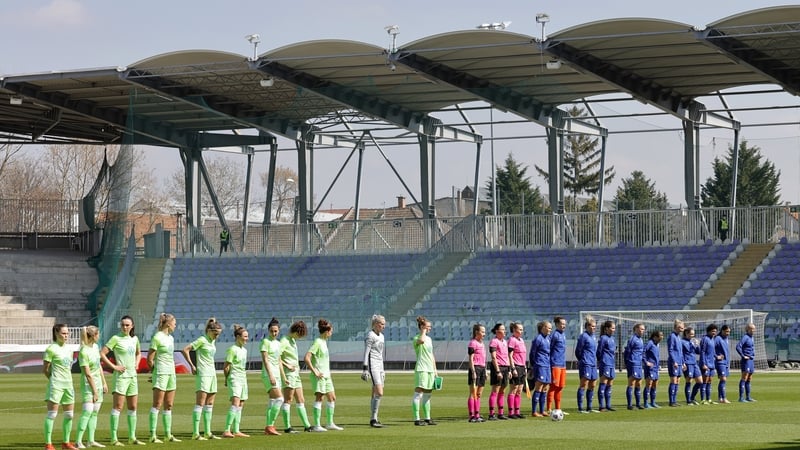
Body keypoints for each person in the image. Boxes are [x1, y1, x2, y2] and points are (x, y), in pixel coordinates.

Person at [100, 315, 144, 446]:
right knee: (118, 407)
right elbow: (102, 353)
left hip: (132, 377)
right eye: (123, 325)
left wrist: (137, 364)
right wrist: (114, 366)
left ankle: (132, 437)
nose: (125, 327)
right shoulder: (116, 338)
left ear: (132, 326)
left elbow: (138, 353)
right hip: (121, 377)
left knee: (133, 406)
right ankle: (114, 438)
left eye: (127, 325)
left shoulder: (134, 339)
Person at [181, 317, 224, 440]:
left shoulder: (211, 341)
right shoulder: (202, 340)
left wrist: (212, 321)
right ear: (210, 331)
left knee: (210, 403)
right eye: (215, 334)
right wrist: (192, 365)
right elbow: (185, 349)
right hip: (203, 374)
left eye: (218, 334)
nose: (217, 336)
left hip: (212, 374)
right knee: (200, 403)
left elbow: (211, 326)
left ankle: (207, 432)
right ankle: (195, 433)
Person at [146, 313, 181, 443]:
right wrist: (155, 372)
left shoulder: (170, 338)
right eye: (174, 323)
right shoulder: (157, 337)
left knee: (169, 404)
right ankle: (153, 435)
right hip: (161, 372)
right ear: (168, 323)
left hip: (171, 373)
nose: (175, 325)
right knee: (157, 404)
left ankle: (168, 434)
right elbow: (150, 359)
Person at [43, 323, 78, 450]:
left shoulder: (70, 349)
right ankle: (48, 444)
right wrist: (53, 380)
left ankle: (66, 443)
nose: (66, 335)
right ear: (56, 333)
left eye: (67, 333)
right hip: (56, 385)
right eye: (63, 333)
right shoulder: (51, 349)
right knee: (52, 414)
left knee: (69, 415)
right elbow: (46, 369)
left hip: (69, 385)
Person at [305, 319, 343, 431]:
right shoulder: (317, 342)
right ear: (326, 331)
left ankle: (330, 423)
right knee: (319, 397)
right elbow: (307, 358)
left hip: (327, 376)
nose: (331, 333)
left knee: (332, 397)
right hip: (319, 376)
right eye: (331, 331)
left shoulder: (324, 342)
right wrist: (314, 371)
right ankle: (317, 425)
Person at [75, 325, 107, 449]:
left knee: (94, 413)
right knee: (87, 412)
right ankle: (78, 441)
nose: (99, 336)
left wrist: (104, 382)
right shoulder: (83, 351)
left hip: (98, 385)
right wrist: (94, 391)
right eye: (98, 334)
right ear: (94, 336)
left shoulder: (95, 347)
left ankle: (91, 440)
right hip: (89, 386)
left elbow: (99, 366)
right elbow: (87, 374)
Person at [281, 321, 313, 433]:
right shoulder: (284, 341)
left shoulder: (292, 340)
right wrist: (287, 365)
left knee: (301, 399)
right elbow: (277, 357)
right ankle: (287, 427)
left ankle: (307, 426)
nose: (299, 337)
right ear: (295, 332)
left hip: (296, 373)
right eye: (299, 335)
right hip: (289, 374)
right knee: (288, 399)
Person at [221, 324, 250, 438]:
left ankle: (236, 430)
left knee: (241, 403)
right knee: (235, 403)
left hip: (243, 378)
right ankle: (227, 429)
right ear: (238, 337)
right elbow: (226, 366)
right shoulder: (232, 349)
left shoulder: (244, 350)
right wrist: (227, 379)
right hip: (235, 378)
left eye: (247, 336)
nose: (246, 338)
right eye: (245, 336)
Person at [411, 315, 438, 426]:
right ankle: (416, 418)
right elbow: (421, 341)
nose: (429, 328)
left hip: (430, 369)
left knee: (428, 394)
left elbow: (431, 354)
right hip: (421, 368)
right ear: (422, 327)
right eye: (428, 326)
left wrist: (435, 370)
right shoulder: (417, 338)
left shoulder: (429, 339)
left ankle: (427, 417)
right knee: (419, 393)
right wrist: (423, 330)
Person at [261, 317, 286, 435]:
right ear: (268, 330)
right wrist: (270, 375)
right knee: (280, 399)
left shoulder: (278, 343)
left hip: (277, 374)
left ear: (279, 331)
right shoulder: (265, 342)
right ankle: (270, 425)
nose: (274, 333)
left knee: (272, 401)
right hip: (269, 374)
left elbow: (279, 360)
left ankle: (269, 426)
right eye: (272, 331)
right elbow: (265, 360)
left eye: (276, 331)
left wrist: (284, 377)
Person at [362, 315, 386, 428]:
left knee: (375, 392)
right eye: (381, 324)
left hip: (380, 365)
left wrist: (383, 369)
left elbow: (380, 354)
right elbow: (366, 352)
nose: (383, 326)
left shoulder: (382, 336)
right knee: (379, 392)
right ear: (376, 324)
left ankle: (374, 418)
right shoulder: (370, 335)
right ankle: (373, 418)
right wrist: (365, 369)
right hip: (373, 365)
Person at [575, 316, 598, 413]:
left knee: (592, 384)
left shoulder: (594, 337)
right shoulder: (583, 336)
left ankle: (589, 407)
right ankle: (580, 408)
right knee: (584, 384)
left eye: (595, 326)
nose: (594, 328)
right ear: (587, 327)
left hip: (593, 363)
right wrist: (582, 360)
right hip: (586, 363)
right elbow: (578, 351)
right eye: (592, 326)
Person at [529, 320, 551, 417]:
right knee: (539, 387)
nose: (550, 329)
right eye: (548, 327)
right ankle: (534, 411)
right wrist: (534, 365)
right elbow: (532, 353)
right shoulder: (538, 339)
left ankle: (542, 410)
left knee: (545, 387)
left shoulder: (548, 339)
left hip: (547, 365)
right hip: (540, 365)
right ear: (543, 328)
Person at [487, 322, 509, 420]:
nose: (505, 331)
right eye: (503, 329)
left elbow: (507, 356)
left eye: (505, 329)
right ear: (497, 331)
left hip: (505, 367)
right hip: (498, 367)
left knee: (502, 391)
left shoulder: (505, 342)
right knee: (495, 390)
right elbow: (493, 357)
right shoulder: (494, 341)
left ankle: (501, 413)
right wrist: (497, 371)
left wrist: (509, 370)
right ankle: (491, 414)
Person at [547, 316, 567, 414]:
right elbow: (549, 349)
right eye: (562, 324)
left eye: (564, 324)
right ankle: (549, 409)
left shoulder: (563, 335)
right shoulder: (554, 335)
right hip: (555, 364)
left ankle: (558, 408)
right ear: (557, 324)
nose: (564, 326)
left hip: (562, 364)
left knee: (560, 387)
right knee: (553, 386)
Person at [506, 321, 527, 419]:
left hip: (522, 367)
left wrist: (525, 367)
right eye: (520, 329)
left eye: (522, 329)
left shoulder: (521, 340)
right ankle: (511, 412)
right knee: (513, 389)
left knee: (519, 390)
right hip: (516, 366)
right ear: (514, 330)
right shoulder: (512, 340)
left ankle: (517, 411)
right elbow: (510, 355)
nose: (522, 331)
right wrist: (512, 368)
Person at [467, 323, 487, 423]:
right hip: (475, 368)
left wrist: (486, 370)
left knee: (478, 394)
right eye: (482, 331)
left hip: (482, 368)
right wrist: (473, 371)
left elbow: (484, 358)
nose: (484, 333)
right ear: (476, 332)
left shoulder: (482, 344)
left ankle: (477, 414)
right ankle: (471, 415)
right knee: (472, 393)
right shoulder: (472, 343)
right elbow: (470, 358)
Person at [624, 323, 645, 410]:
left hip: (639, 364)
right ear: (636, 329)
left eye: (643, 329)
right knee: (631, 383)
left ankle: (638, 403)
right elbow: (627, 351)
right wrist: (628, 362)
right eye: (641, 329)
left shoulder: (641, 340)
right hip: (633, 363)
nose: (642, 331)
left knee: (639, 383)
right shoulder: (633, 339)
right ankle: (629, 405)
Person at [596, 320, 617, 411]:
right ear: (607, 329)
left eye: (614, 328)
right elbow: (599, 351)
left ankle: (608, 405)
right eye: (612, 328)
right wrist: (602, 361)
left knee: (609, 385)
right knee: (603, 384)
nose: (614, 330)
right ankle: (602, 406)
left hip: (612, 363)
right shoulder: (603, 338)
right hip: (605, 363)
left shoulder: (612, 338)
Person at [666, 319, 685, 407]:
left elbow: (680, 351)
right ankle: (671, 401)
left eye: (683, 327)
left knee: (677, 381)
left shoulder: (679, 337)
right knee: (673, 380)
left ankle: (675, 400)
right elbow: (670, 350)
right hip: (674, 362)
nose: (682, 329)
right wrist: (674, 361)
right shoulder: (672, 336)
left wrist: (683, 362)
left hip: (679, 362)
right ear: (676, 327)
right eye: (681, 327)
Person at [681, 327, 702, 405]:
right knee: (689, 381)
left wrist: (698, 345)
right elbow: (681, 354)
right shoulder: (682, 342)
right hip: (687, 363)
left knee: (700, 381)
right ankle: (688, 401)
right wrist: (683, 363)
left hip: (694, 363)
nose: (692, 336)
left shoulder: (692, 342)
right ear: (686, 333)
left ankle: (692, 397)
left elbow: (698, 352)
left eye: (693, 334)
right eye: (691, 334)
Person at [736, 323, 757, 402]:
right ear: (747, 329)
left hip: (751, 360)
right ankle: (741, 397)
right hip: (746, 360)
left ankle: (748, 397)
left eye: (754, 329)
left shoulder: (751, 338)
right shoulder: (745, 337)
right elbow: (738, 346)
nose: (753, 330)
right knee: (744, 377)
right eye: (752, 329)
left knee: (749, 378)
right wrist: (743, 355)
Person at [643, 330, 663, 408]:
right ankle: (645, 403)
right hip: (650, 368)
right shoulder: (650, 343)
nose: (661, 338)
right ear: (655, 337)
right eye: (660, 337)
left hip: (656, 367)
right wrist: (646, 362)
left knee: (655, 384)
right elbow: (643, 352)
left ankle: (653, 402)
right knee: (649, 384)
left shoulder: (657, 344)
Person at [699, 324, 718, 405]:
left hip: (712, 364)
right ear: (709, 331)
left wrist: (717, 357)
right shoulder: (705, 339)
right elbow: (702, 352)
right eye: (713, 331)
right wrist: (703, 364)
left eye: (715, 331)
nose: (714, 333)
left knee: (710, 381)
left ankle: (709, 399)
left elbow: (712, 352)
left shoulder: (713, 339)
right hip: (706, 363)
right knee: (704, 381)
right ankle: (703, 400)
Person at [715, 324, 732, 404]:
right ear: (722, 331)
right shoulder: (718, 338)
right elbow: (711, 348)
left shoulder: (726, 339)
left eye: (729, 332)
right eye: (726, 331)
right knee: (723, 379)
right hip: (720, 362)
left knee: (723, 380)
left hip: (726, 362)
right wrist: (716, 356)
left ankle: (720, 398)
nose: (728, 333)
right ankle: (724, 398)